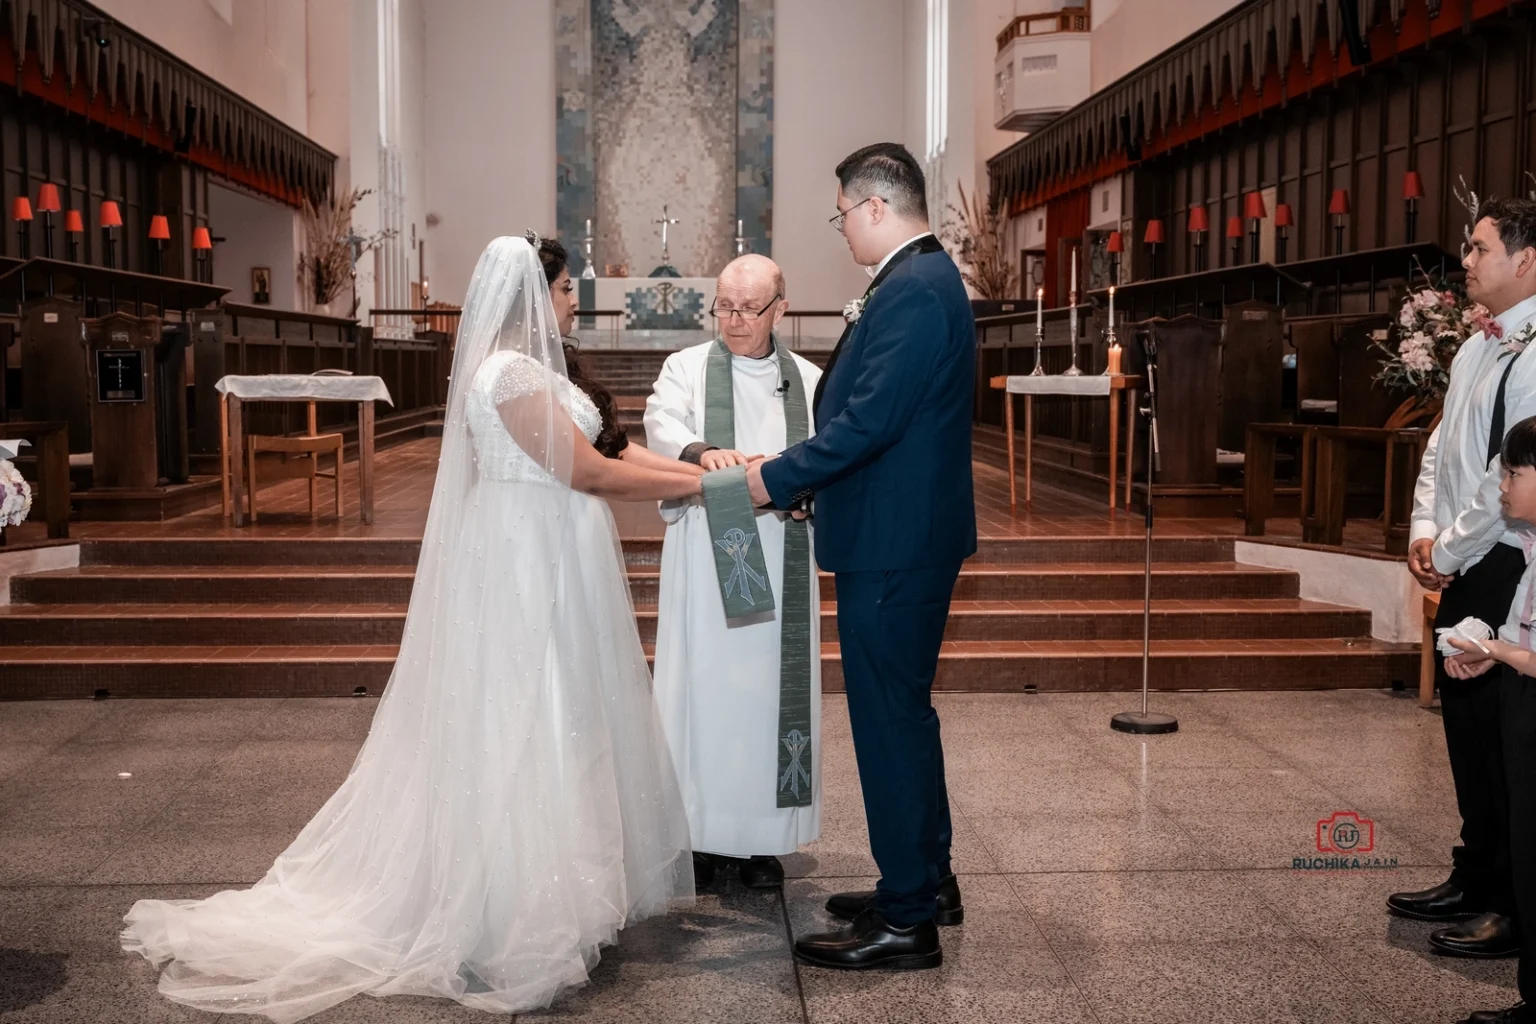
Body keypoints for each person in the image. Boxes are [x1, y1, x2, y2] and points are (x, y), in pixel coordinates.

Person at [120, 235, 704, 1022]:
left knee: (567, 715)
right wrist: (716, 492)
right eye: (565, 289)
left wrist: (708, 477)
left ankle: (565, 888)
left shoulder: (545, 369)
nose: (572, 302)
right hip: (526, 558)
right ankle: (513, 911)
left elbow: (609, 447)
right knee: (525, 718)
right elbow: (589, 473)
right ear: (538, 290)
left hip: (558, 552)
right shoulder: (508, 375)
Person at [747, 142, 976, 970]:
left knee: (887, 720)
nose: (841, 228)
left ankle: (908, 918)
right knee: (905, 714)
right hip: (896, 529)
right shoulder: (918, 281)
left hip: (897, 542)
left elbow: (870, 422)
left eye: (842, 213)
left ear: (876, 206)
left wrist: (771, 479)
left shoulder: (915, 289)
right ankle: (927, 880)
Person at [644, 254, 824, 890]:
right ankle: (695, 835)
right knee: (704, 692)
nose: (735, 320)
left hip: (783, 550)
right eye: (724, 306)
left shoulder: (809, 378)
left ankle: (757, 843)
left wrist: (802, 486)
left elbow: (830, 455)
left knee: (767, 698)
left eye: (749, 308)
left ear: (781, 308)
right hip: (704, 561)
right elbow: (660, 423)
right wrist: (699, 451)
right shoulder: (686, 369)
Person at [1393, 197, 1536, 963]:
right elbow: (1443, 448)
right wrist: (1423, 530)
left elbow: (1508, 477)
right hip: (1464, 554)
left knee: (1500, 740)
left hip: (1507, 559)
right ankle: (1475, 870)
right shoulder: (1477, 345)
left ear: (1527, 259)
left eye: (1480, 248)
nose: (1467, 259)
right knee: (1466, 728)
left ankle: (1512, 902)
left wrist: (1448, 549)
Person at [1445, 415, 1536, 1024]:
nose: (1500, 485)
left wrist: (1500, 653)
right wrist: (1490, 652)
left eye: (1513, 473)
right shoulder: (1531, 546)